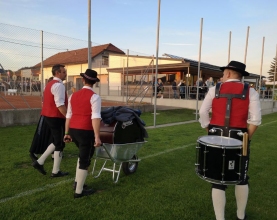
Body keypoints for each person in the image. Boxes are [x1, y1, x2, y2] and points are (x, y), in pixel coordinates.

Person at [199, 61, 261, 220]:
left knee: (217, 180)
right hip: (241, 138)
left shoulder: (214, 90)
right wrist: (246, 139)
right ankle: (241, 216)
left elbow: (203, 112)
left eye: (223, 73)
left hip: (216, 137)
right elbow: (255, 120)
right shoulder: (251, 92)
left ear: (228, 74)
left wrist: (209, 129)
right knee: (241, 177)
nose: (222, 76)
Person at [64, 69, 102, 198]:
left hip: (74, 130)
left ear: (83, 80)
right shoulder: (95, 97)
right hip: (86, 131)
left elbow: (68, 115)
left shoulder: (72, 96)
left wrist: (66, 132)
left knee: (82, 156)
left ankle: (77, 183)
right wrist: (97, 136)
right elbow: (95, 117)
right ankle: (79, 191)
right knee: (85, 160)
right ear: (94, 82)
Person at [32, 64, 68, 177]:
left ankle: (47, 166)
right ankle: (45, 165)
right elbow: (60, 104)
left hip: (48, 116)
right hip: (55, 116)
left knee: (57, 141)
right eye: (63, 72)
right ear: (57, 73)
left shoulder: (49, 84)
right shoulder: (58, 85)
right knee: (58, 142)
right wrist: (68, 117)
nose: (65, 73)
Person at [29, 77, 54, 162]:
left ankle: (54, 152)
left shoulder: (47, 90)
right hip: (46, 115)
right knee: (42, 134)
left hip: (49, 115)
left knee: (52, 135)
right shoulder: (48, 90)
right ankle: (34, 152)